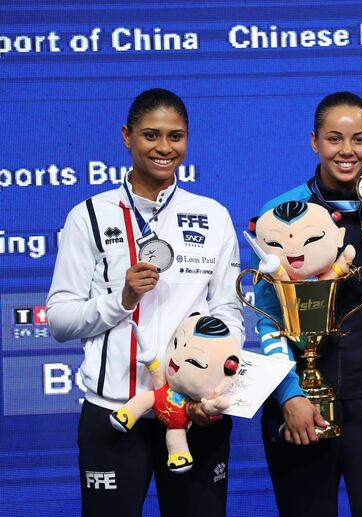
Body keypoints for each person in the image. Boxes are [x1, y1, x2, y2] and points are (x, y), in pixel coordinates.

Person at [46, 88, 244, 517]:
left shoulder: (212, 216)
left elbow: (228, 312)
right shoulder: (90, 216)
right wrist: (121, 300)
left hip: (192, 413)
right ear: (127, 136)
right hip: (114, 413)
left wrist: (214, 385)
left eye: (176, 137)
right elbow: (59, 319)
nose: (164, 148)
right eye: (151, 135)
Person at [253, 91, 362, 517]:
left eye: (359, 140)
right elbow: (268, 317)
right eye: (334, 139)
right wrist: (289, 394)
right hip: (299, 402)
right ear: (314, 142)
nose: (347, 151)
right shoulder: (281, 211)